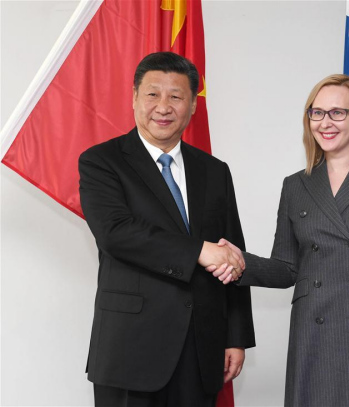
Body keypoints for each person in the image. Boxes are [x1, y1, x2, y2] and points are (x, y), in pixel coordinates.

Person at [208, 74, 349, 407]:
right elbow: (285, 268)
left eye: (338, 112)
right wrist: (240, 263)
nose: (326, 122)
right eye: (317, 112)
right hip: (314, 331)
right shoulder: (296, 186)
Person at [79, 52, 255, 407]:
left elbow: (232, 250)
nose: (163, 106)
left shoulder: (214, 171)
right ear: (134, 99)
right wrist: (199, 251)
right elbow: (117, 233)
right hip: (130, 349)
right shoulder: (101, 161)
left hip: (201, 347)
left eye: (176, 96)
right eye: (152, 94)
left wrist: (236, 336)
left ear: (192, 106)